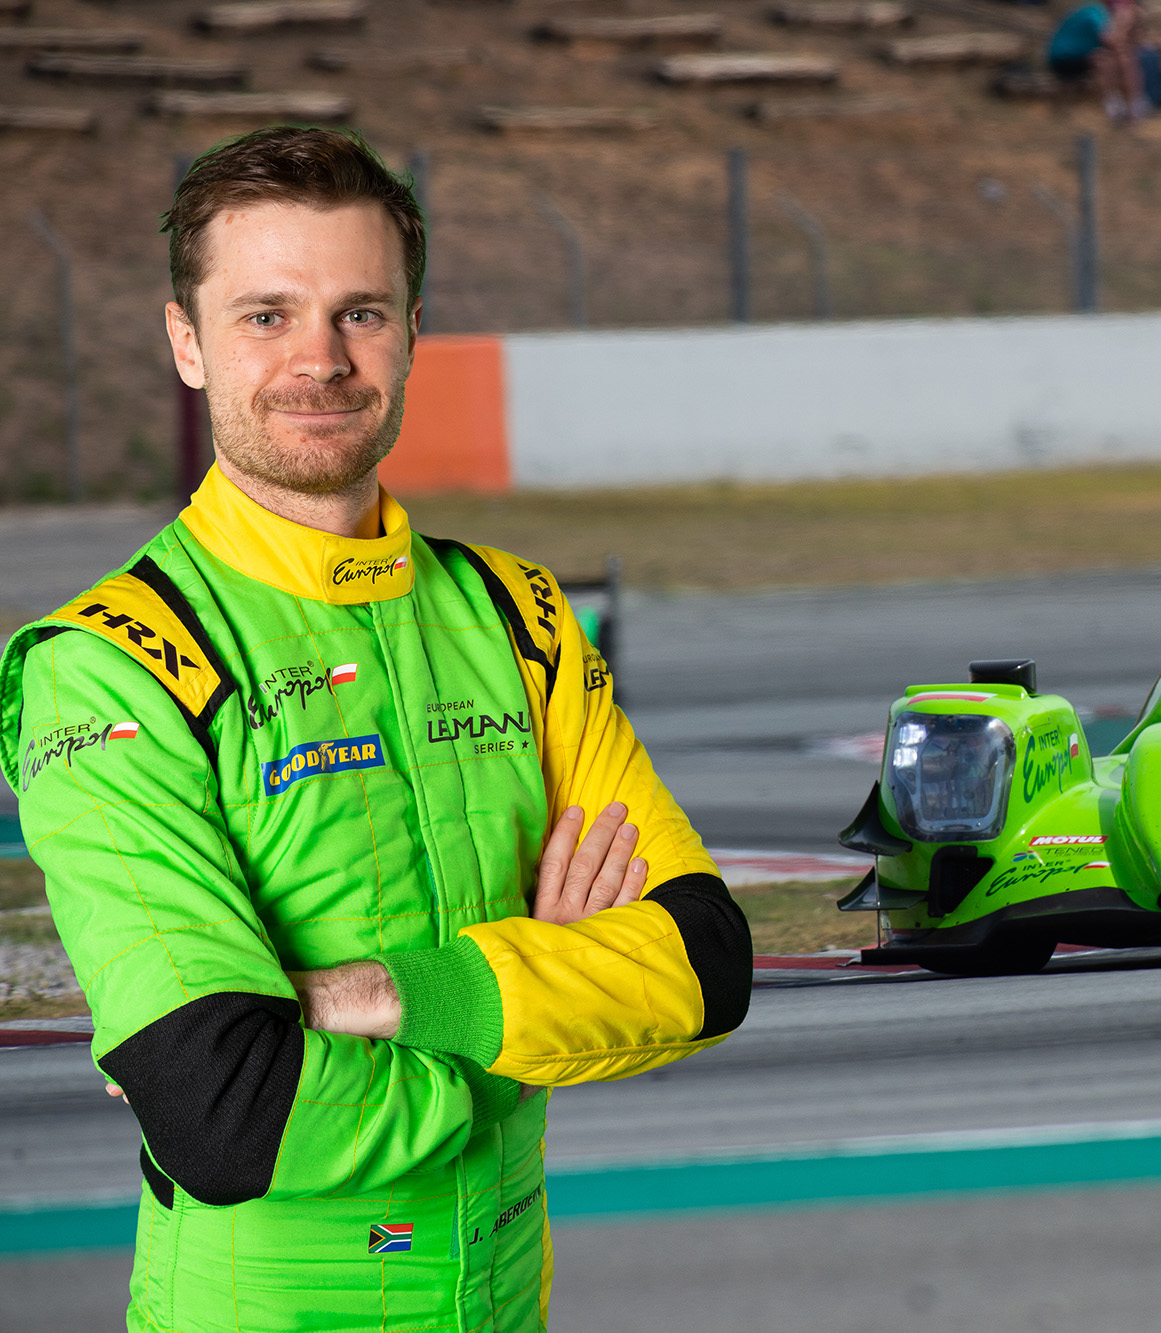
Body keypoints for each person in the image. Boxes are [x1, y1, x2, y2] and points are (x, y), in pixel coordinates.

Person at [0, 126, 752, 1331]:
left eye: (359, 313)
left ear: (410, 334)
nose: (321, 359)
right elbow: (224, 1111)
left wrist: (370, 997)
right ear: (186, 344)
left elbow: (706, 964)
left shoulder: (519, 615)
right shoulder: (107, 669)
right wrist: (520, 1020)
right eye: (265, 316)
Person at [1047, 0, 1146, 123]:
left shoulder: (1097, 12)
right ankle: (1117, 106)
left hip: (1077, 56)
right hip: (1063, 59)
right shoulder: (1095, 11)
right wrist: (1124, 23)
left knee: (1120, 59)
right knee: (1106, 61)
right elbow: (1110, 40)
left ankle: (1129, 103)